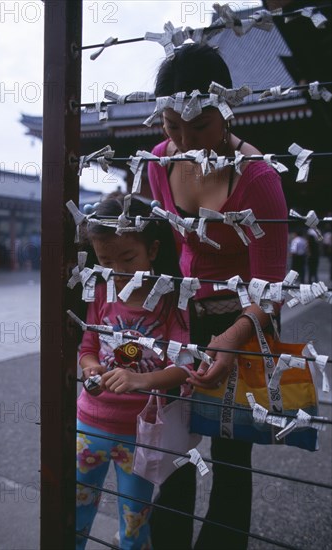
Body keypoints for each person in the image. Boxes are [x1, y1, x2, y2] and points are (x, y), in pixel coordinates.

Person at [147, 44, 288, 550]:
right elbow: (167, 256)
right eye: (170, 126)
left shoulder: (260, 181)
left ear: (226, 111)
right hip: (185, 319)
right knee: (172, 444)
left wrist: (231, 340)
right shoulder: (158, 164)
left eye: (200, 127)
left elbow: (270, 293)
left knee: (231, 457)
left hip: (245, 322)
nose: (184, 142)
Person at [75, 195, 193, 550]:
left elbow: (185, 366)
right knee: (76, 512)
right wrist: (92, 368)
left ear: (152, 250)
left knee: (134, 521)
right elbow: (87, 348)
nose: (119, 269)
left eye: (128, 258)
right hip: (89, 423)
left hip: (140, 433)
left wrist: (140, 380)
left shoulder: (172, 300)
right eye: (106, 261)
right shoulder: (100, 292)